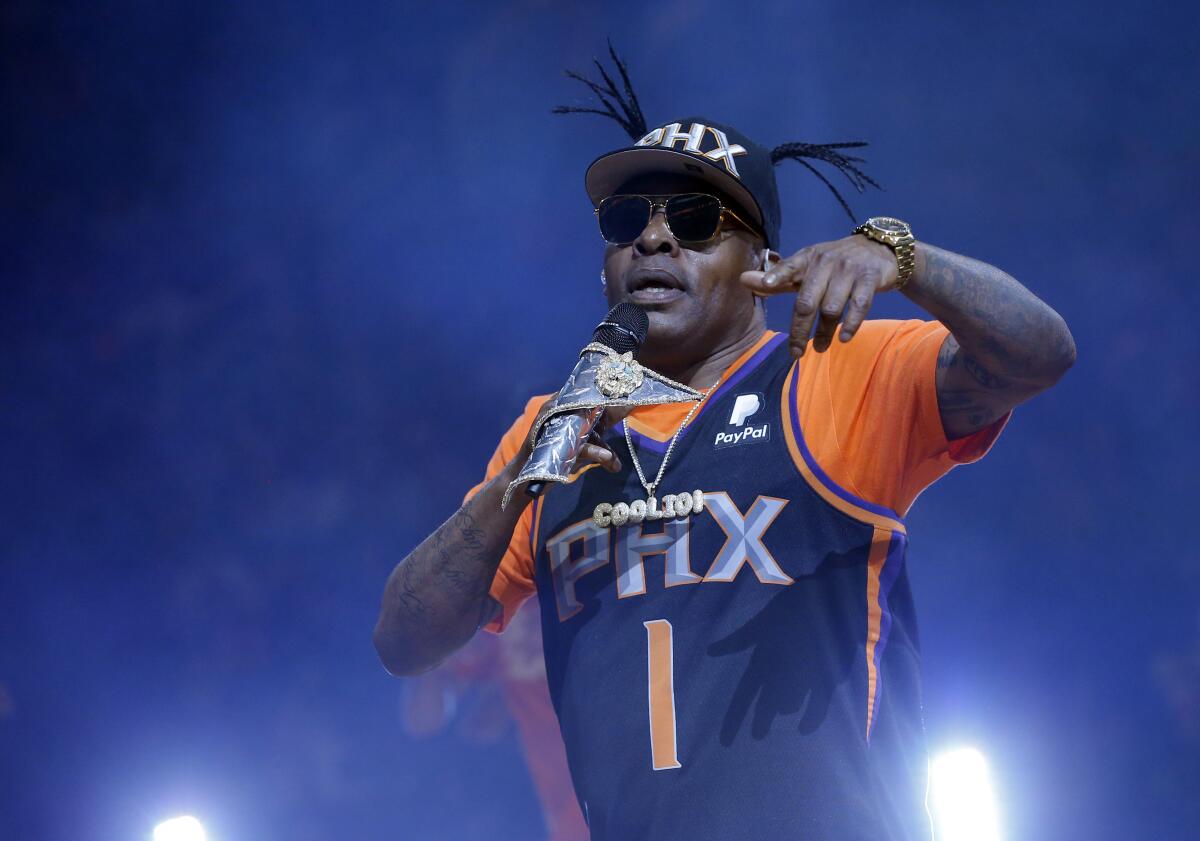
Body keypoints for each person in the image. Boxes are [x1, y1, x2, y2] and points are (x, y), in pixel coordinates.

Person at [374, 47, 1075, 840]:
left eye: (698, 221)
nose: (654, 240)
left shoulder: (832, 372)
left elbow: (1040, 354)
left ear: (766, 265)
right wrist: (519, 482)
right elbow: (403, 640)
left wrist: (906, 260)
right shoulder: (554, 432)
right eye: (626, 220)